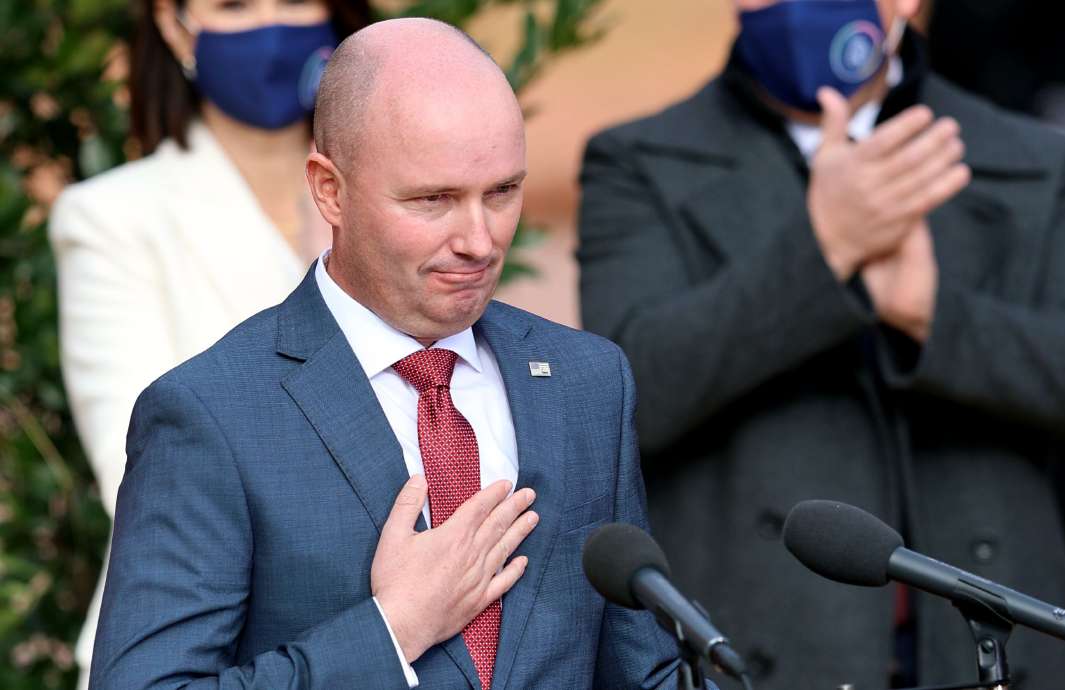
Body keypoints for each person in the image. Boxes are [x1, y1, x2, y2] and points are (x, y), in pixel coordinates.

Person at [90, 18, 696, 690]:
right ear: (330, 190)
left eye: (502, 192)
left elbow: (642, 673)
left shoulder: (588, 382)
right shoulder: (211, 414)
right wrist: (393, 631)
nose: (479, 240)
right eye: (433, 199)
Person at [576, 0, 1065, 688]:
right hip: (758, 654)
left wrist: (931, 316)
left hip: (1000, 651)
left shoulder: (1030, 156)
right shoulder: (638, 160)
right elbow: (625, 397)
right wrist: (824, 254)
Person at [49, 1, 369, 684]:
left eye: (294, 0)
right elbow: (142, 470)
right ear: (174, 26)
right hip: (200, 649)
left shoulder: (411, 197)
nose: (271, 26)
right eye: (234, 5)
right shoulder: (111, 219)